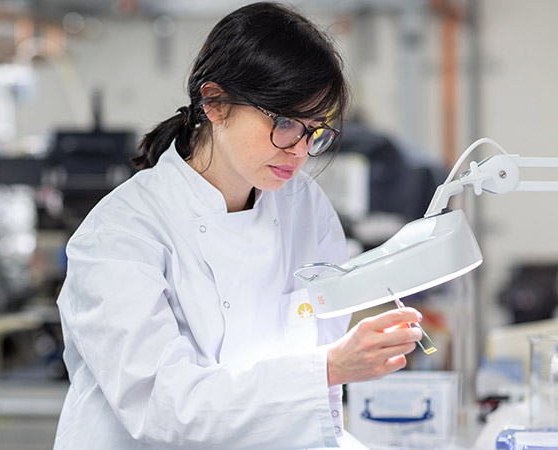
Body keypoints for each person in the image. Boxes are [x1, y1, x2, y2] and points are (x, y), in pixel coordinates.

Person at [52, 3, 424, 449]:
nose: (300, 150)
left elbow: (306, 403)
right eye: (284, 122)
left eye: (315, 130)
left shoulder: (304, 206)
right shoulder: (121, 234)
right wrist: (330, 367)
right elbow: (166, 408)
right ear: (214, 103)